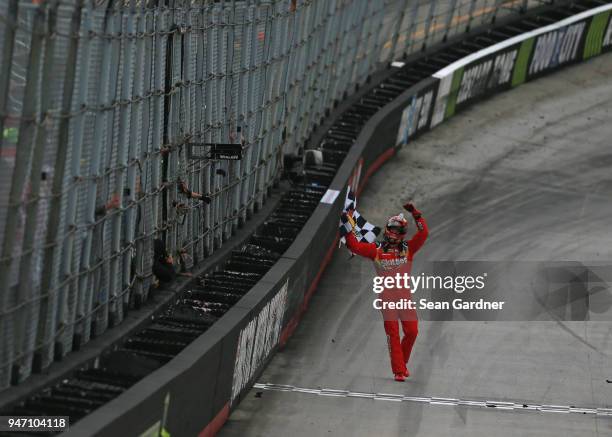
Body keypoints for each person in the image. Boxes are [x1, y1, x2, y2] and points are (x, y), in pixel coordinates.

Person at [343, 203, 428, 382]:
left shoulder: (409, 249)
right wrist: (348, 227)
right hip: (387, 298)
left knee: (412, 331)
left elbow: (424, 234)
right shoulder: (376, 250)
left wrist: (416, 214)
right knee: (393, 334)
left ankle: (402, 364)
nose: (393, 233)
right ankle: (398, 371)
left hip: (405, 298)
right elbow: (355, 246)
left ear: (402, 234)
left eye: (398, 231)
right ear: (387, 229)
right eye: (392, 229)